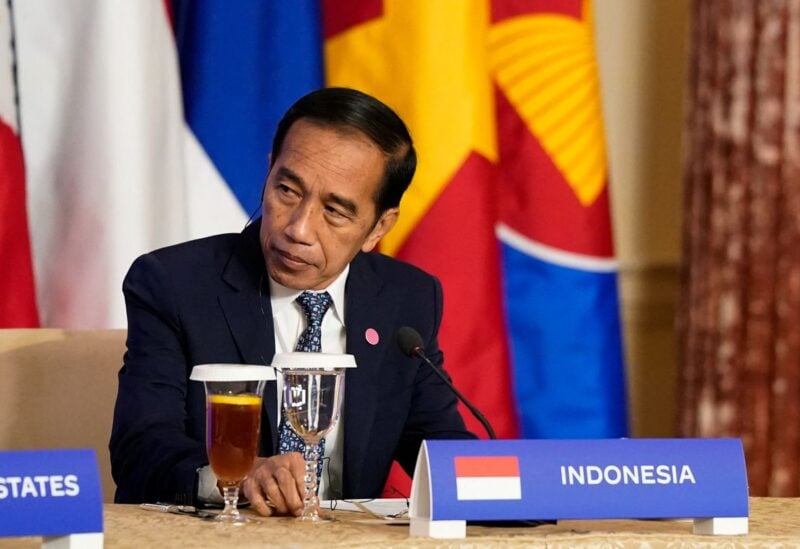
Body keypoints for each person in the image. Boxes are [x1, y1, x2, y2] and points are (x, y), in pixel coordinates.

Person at [109, 87, 475, 516]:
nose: (298, 228)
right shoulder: (175, 284)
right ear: (268, 174)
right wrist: (241, 476)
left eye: (335, 211)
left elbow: (439, 450)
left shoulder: (405, 300)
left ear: (378, 227)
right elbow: (141, 451)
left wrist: (526, 483)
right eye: (287, 190)